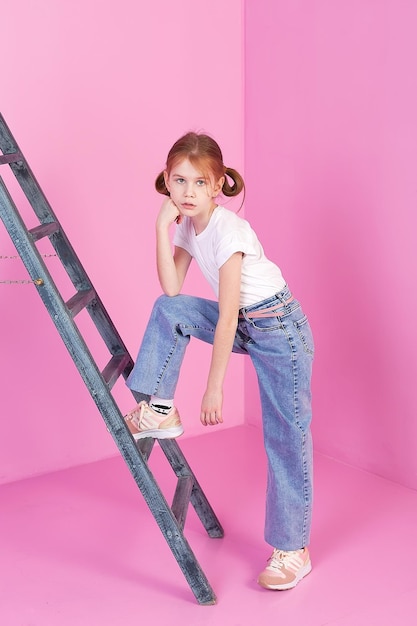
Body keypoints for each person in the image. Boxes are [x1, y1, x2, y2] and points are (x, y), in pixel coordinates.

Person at [125, 132, 314, 591]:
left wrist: (214, 387)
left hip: (278, 329)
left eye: (199, 183)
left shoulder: (230, 230)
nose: (187, 193)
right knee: (170, 310)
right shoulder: (188, 225)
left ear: (217, 187)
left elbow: (227, 316)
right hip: (250, 323)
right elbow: (172, 291)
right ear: (167, 183)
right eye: (179, 181)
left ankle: (294, 549)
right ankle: (162, 409)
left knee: (285, 437)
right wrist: (159, 229)